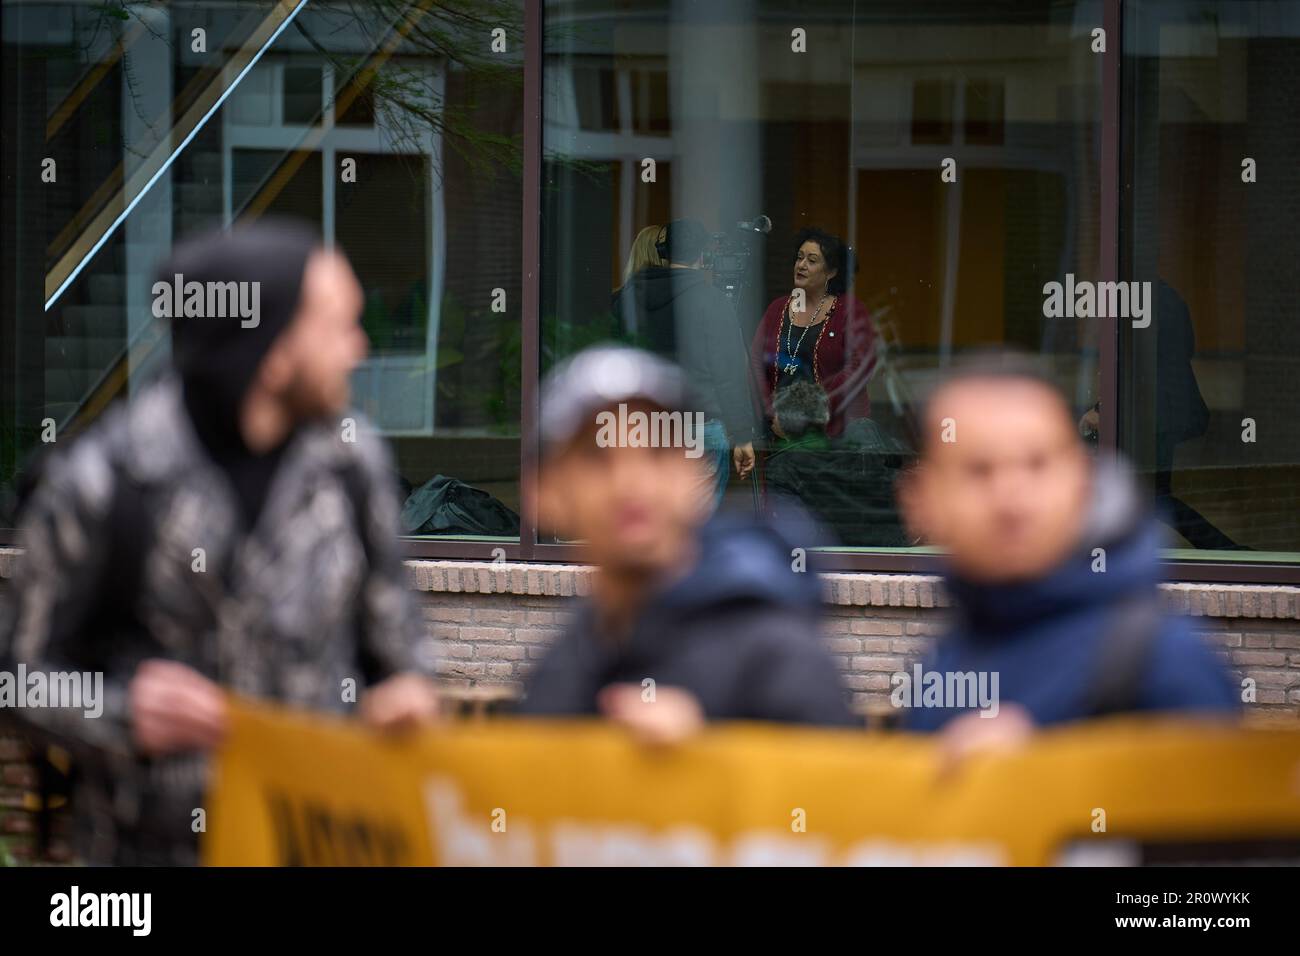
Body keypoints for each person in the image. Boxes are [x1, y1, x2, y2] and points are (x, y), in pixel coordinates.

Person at [0, 219, 440, 865]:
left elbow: (398, 650)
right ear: (275, 348)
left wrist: (408, 694)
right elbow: (16, 677)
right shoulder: (104, 483)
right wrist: (122, 713)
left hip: (316, 844)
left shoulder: (351, 464)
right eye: (338, 326)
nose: (358, 347)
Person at [896, 351, 1238, 746]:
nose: (1012, 499)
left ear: (1081, 480)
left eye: (1038, 465)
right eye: (979, 470)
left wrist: (1042, 775)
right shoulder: (945, 660)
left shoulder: (1164, 663)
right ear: (921, 500)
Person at [517, 345, 854, 742]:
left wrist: (709, 763)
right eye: (597, 457)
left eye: (657, 452)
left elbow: (838, 799)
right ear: (544, 494)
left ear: (695, 473)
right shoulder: (561, 666)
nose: (631, 483)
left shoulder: (782, 661)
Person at [610, 219, 757, 511]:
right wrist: (742, 435)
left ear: (663, 251)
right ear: (703, 256)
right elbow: (728, 374)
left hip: (641, 426)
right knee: (692, 529)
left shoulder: (624, 300)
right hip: (697, 424)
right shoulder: (712, 302)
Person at [736, 227, 878, 480]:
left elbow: (858, 368)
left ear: (831, 272)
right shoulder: (778, 308)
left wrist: (804, 414)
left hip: (836, 435)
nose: (801, 265)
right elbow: (756, 364)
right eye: (799, 257)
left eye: (812, 261)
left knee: (831, 510)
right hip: (780, 434)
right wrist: (772, 415)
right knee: (786, 506)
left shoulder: (850, 310)